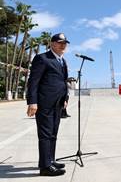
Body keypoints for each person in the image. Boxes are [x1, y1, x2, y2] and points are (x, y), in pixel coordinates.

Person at [26, 33, 70, 176]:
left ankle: (50, 160)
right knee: (45, 135)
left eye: (65, 43)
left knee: (53, 134)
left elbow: (63, 82)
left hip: (58, 104)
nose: (63, 45)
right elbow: (33, 82)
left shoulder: (62, 61)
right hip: (44, 104)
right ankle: (45, 167)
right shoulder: (42, 59)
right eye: (60, 42)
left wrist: (65, 98)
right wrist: (32, 102)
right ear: (52, 44)